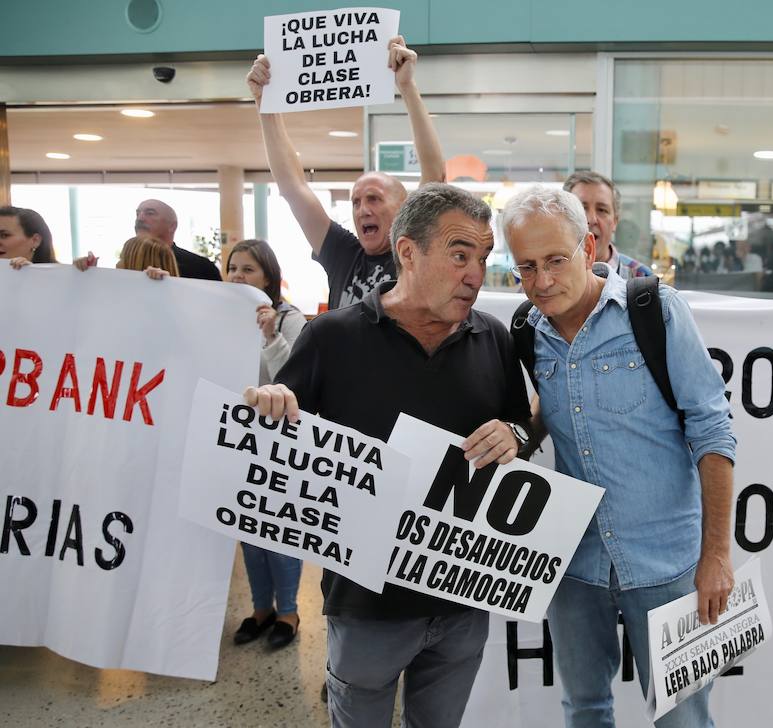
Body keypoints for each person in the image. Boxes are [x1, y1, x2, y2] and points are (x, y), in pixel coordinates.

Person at [242, 184, 532, 728]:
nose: (476, 273)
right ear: (408, 252)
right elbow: (275, 441)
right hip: (364, 604)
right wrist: (271, 403)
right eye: (460, 255)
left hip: (462, 602)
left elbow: (521, 423)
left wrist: (516, 433)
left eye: (484, 258)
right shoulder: (331, 337)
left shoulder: (493, 337)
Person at [503, 186, 736, 728]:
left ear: (588, 248)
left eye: (555, 260)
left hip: (666, 562)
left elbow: (712, 429)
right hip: (573, 563)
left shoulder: (654, 310)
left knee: (682, 717)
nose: (541, 282)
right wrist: (516, 433)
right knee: (584, 710)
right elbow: (550, 410)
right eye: (526, 268)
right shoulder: (525, 331)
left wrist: (717, 556)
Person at [246, 35, 444, 311]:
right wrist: (265, 105)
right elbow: (293, 188)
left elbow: (435, 175)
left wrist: (407, 87)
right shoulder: (343, 253)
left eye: (374, 199)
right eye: (356, 201)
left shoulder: (412, 254)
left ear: (403, 209)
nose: (362, 209)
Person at [225, 239, 306, 649]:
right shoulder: (221, 317)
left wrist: (271, 333)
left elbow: (297, 379)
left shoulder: (289, 318)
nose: (238, 277)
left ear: (269, 278)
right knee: (249, 533)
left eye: (248, 270)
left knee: (279, 532)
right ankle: (261, 608)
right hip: (237, 440)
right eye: (233, 268)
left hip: (279, 444)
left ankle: (288, 612)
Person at [562, 172, 652, 278]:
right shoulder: (550, 275)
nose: (591, 219)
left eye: (602, 210)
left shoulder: (641, 277)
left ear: (615, 221)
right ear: (564, 218)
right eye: (581, 208)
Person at [133, 199, 222, 281]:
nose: (140, 219)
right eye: (138, 214)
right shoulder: (127, 262)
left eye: (150, 213)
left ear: (172, 226)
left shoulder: (201, 268)